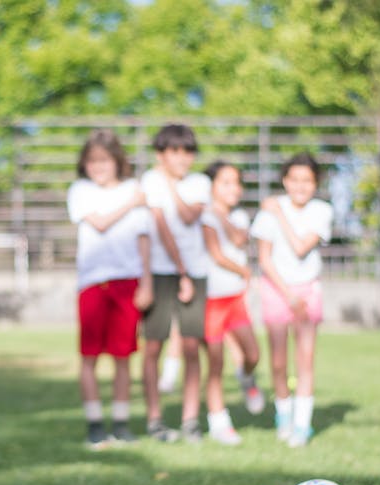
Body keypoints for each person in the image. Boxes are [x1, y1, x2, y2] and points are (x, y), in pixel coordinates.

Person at [67, 129, 153, 449]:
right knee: (90, 356)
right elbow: (100, 223)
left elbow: (144, 239)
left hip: (127, 282)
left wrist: (147, 282)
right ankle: (94, 424)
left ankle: (120, 422)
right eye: (92, 161)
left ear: (117, 161)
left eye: (104, 160)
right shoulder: (81, 190)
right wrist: (131, 203)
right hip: (92, 283)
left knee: (123, 356)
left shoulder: (133, 188)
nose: (98, 167)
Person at [250, 153, 333, 448]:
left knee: (305, 360)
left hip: (308, 292)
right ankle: (283, 414)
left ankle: (302, 424)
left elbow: (300, 248)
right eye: (294, 179)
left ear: (316, 183)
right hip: (276, 291)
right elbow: (264, 259)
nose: (300, 186)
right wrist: (287, 294)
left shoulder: (321, 211)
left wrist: (280, 215)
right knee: (278, 362)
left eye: (307, 180)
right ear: (285, 181)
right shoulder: (267, 213)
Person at [140, 124, 211, 443]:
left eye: (187, 151)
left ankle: (190, 419)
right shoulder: (149, 180)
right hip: (160, 272)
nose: (182, 158)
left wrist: (169, 183)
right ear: (161, 154)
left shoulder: (199, 183)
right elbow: (160, 225)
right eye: (174, 151)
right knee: (154, 346)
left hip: (195, 273)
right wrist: (180, 272)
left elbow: (186, 216)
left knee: (192, 346)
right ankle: (154, 419)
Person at [200, 161, 265, 445]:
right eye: (225, 182)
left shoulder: (237, 216)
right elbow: (216, 254)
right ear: (211, 186)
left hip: (236, 299)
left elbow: (238, 240)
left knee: (253, 354)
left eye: (236, 183)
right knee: (215, 363)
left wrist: (221, 214)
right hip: (211, 300)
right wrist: (243, 271)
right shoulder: (203, 216)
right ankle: (219, 422)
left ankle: (246, 378)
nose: (234, 189)